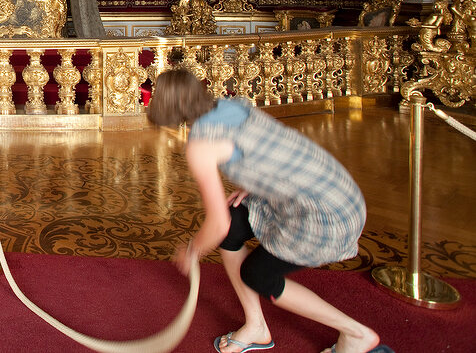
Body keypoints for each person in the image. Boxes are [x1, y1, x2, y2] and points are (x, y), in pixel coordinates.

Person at [147, 68, 393, 353]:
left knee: (258, 275)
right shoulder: (233, 105)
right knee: (237, 223)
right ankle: (256, 327)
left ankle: (356, 333)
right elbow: (271, 149)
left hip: (324, 217)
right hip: (338, 192)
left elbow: (217, 225)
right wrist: (254, 182)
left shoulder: (202, 146)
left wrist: (192, 251)